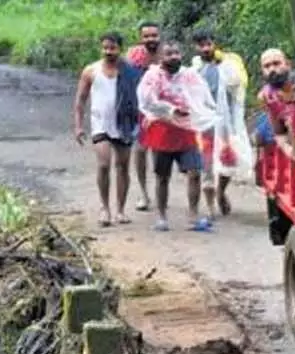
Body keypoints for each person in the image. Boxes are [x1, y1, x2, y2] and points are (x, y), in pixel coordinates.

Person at [137, 41, 219, 231]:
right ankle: (161, 216)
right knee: (162, 176)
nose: (173, 57)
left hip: (187, 131)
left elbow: (202, 96)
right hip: (161, 132)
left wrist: (204, 113)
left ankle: (192, 215)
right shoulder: (152, 76)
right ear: (160, 58)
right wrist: (172, 110)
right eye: (168, 54)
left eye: (176, 53)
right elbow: (147, 101)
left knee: (195, 172)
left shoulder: (190, 75)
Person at [73, 32, 144, 226]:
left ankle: (120, 210)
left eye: (112, 48)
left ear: (120, 48)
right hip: (100, 124)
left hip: (124, 124)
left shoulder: (129, 71)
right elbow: (80, 99)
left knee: (122, 167)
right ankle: (105, 208)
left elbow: (142, 96)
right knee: (104, 165)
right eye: (105, 48)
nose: (108, 52)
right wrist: (78, 126)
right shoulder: (91, 71)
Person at [190, 28, 252, 217]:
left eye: (209, 44)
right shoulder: (195, 67)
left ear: (214, 43)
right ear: (196, 47)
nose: (206, 48)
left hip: (225, 122)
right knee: (206, 161)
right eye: (202, 45)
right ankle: (209, 206)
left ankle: (221, 191)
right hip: (204, 122)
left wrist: (223, 64)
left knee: (227, 158)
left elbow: (238, 84)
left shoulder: (229, 62)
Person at [125, 21, 164, 211]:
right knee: (140, 151)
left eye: (154, 35)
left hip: (162, 112)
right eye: (146, 36)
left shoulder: (166, 54)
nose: (151, 39)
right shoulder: (134, 55)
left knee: (159, 154)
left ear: (159, 36)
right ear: (141, 38)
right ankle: (143, 193)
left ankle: (159, 191)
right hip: (139, 111)